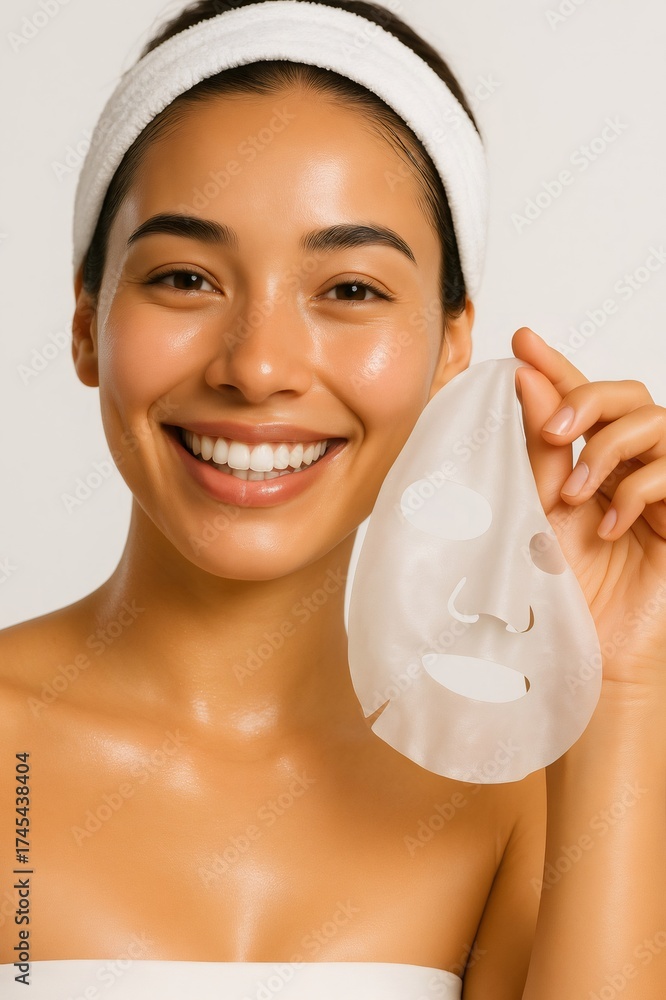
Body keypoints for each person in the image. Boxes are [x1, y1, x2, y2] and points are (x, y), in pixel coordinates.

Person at [1, 1, 665, 997]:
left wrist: (623, 684)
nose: (259, 366)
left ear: (451, 347)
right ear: (88, 321)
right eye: (185, 278)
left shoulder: (511, 788)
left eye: (350, 290)